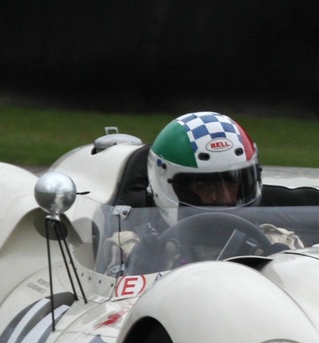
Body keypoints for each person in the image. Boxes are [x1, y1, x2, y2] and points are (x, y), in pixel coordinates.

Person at [106, 111, 300, 273]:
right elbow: (108, 313)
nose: (223, 197)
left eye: (232, 182)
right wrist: (137, 274)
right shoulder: (129, 247)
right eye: (205, 185)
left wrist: (283, 271)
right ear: (166, 186)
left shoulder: (280, 241)